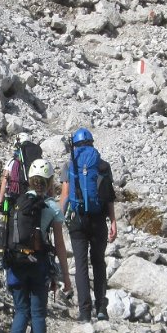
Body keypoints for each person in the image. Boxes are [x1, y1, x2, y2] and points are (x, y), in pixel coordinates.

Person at [1, 159, 72, 333]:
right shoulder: (51, 207)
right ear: (50, 182)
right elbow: (59, 244)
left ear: (30, 180)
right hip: (39, 265)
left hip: (16, 263)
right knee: (38, 314)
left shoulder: (16, 202)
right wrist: (66, 278)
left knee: (21, 310)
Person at [59, 128, 117, 322]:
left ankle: (85, 312)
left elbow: (65, 195)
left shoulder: (70, 164)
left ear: (74, 145)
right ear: (92, 143)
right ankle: (101, 308)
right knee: (99, 262)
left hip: (77, 220)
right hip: (99, 219)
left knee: (81, 265)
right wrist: (114, 221)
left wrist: (60, 218)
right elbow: (108, 196)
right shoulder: (102, 165)